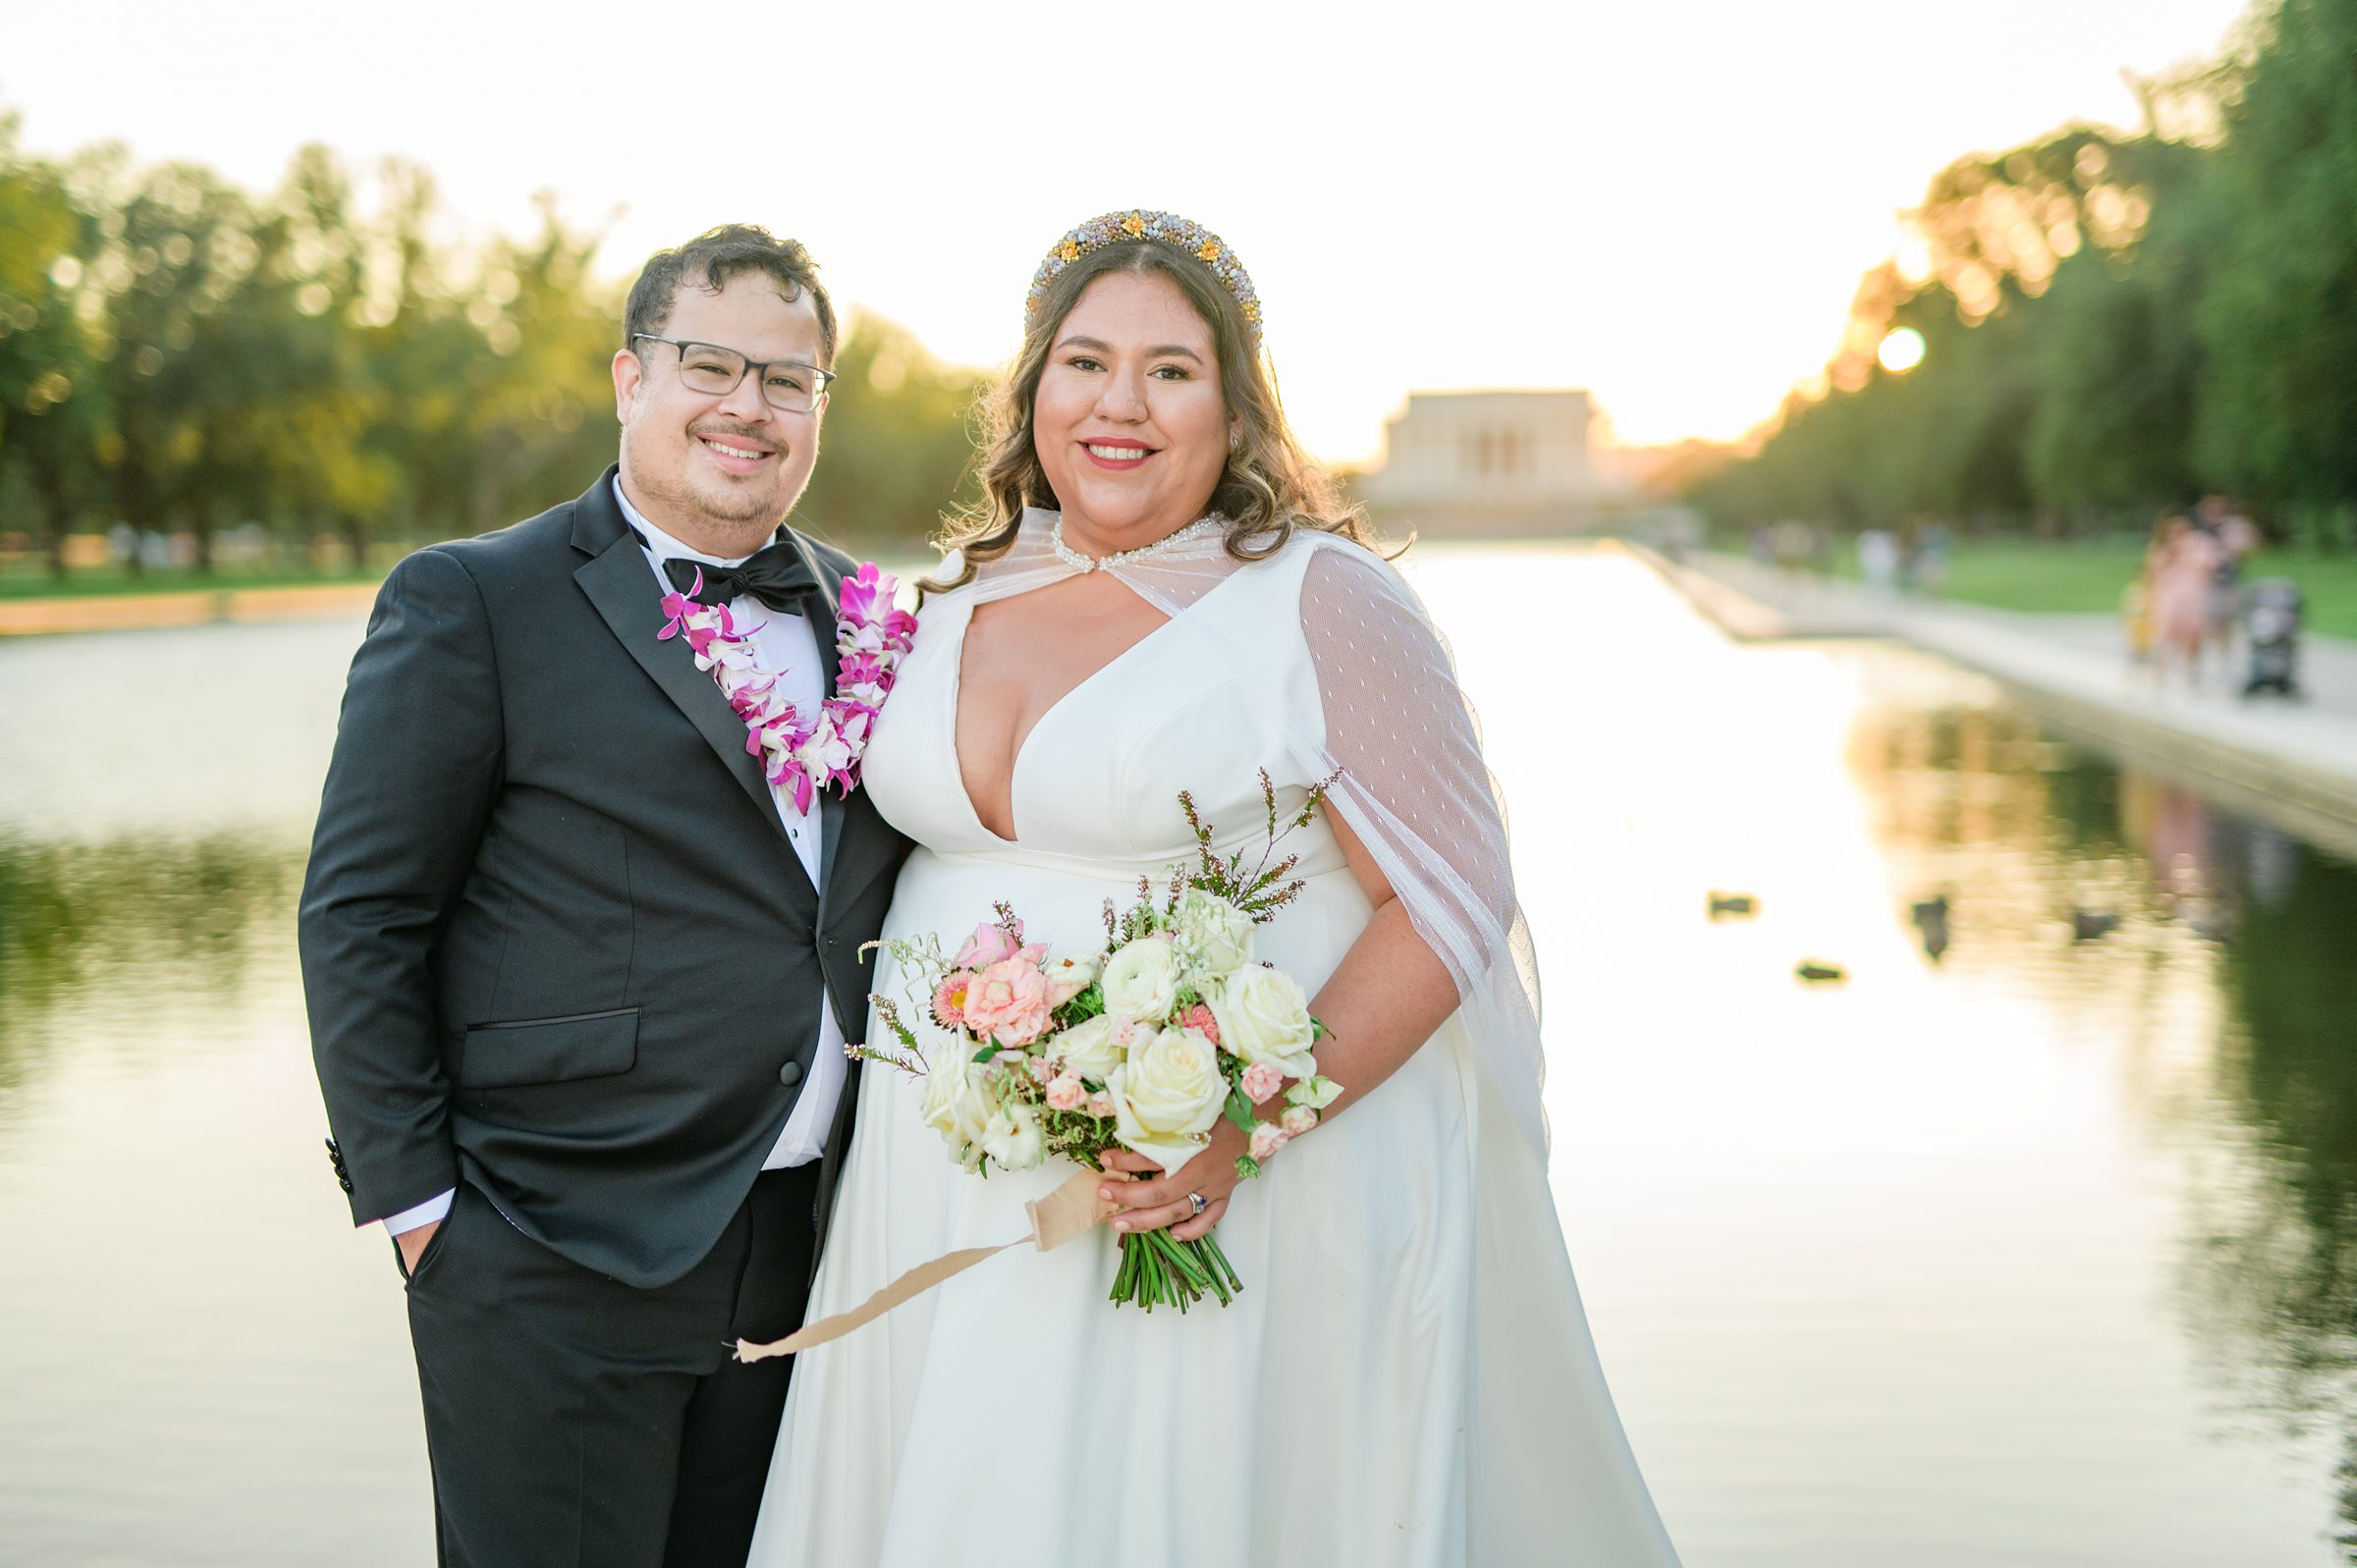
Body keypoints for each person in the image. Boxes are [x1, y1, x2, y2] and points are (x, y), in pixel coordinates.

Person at [749, 211, 1681, 1566]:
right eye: (1084, 361)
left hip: (1203, 1186)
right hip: (939, 1172)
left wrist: (1236, 1121)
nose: (1120, 404)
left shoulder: (1321, 598)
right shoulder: (943, 599)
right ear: (1032, 392)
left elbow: (1452, 900)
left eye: (1171, 370)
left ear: (1238, 408)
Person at [300, 224, 910, 1567]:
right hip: (547, 1252)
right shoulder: (473, 600)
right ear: (630, 378)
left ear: (820, 409)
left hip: (808, 1255)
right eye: (710, 363)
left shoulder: (869, 620)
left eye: (788, 377)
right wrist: (424, 1222)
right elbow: (361, 915)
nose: (747, 405)